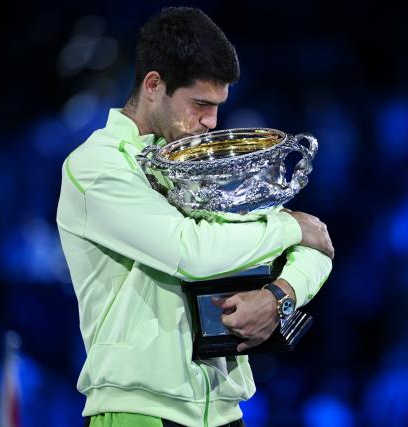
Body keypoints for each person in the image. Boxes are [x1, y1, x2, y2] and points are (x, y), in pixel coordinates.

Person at [56, 7, 333, 427]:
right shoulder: (97, 167)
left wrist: (279, 295)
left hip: (225, 412)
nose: (211, 123)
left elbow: (317, 248)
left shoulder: (202, 160)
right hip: (140, 413)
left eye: (219, 106)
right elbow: (191, 252)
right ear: (154, 85)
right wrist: (289, 226)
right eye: (201, 104)